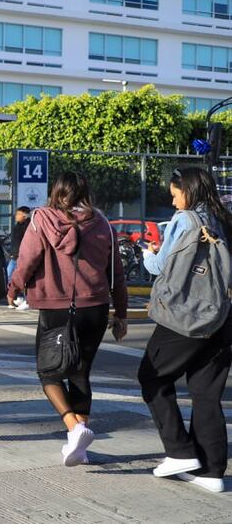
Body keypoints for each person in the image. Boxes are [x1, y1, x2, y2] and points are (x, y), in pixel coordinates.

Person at [8, 173, 127, 466]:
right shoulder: (102, 222)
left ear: (56, 192)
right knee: (80, 373)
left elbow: (27, 259)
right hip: (96, 307)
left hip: (56, 308)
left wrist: (13, 287)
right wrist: (121, 314)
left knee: (48, 373)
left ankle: (74, 428)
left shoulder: (41, 219)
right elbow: (116, 273)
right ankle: (79, 446)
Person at [138, 167, 232, 493]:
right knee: (206, 392)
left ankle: (179, 451)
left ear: (188, 191)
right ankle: (211, 471)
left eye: (175, 193)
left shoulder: (186, 220)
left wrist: (148, 255)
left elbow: (162, 265)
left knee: (152, 377)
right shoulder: (224, 218)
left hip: (186, 315)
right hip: (223, 316)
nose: (173, 200)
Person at [7, 206, 32, 310]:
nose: (16, 216)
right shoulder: (17, 226)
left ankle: (27, 300)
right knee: (9, 276)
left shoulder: (28, 226)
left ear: (25, 216)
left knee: (23, 278)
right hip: (14, 257)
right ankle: (18, 297)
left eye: (18, 214)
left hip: (22, 257)